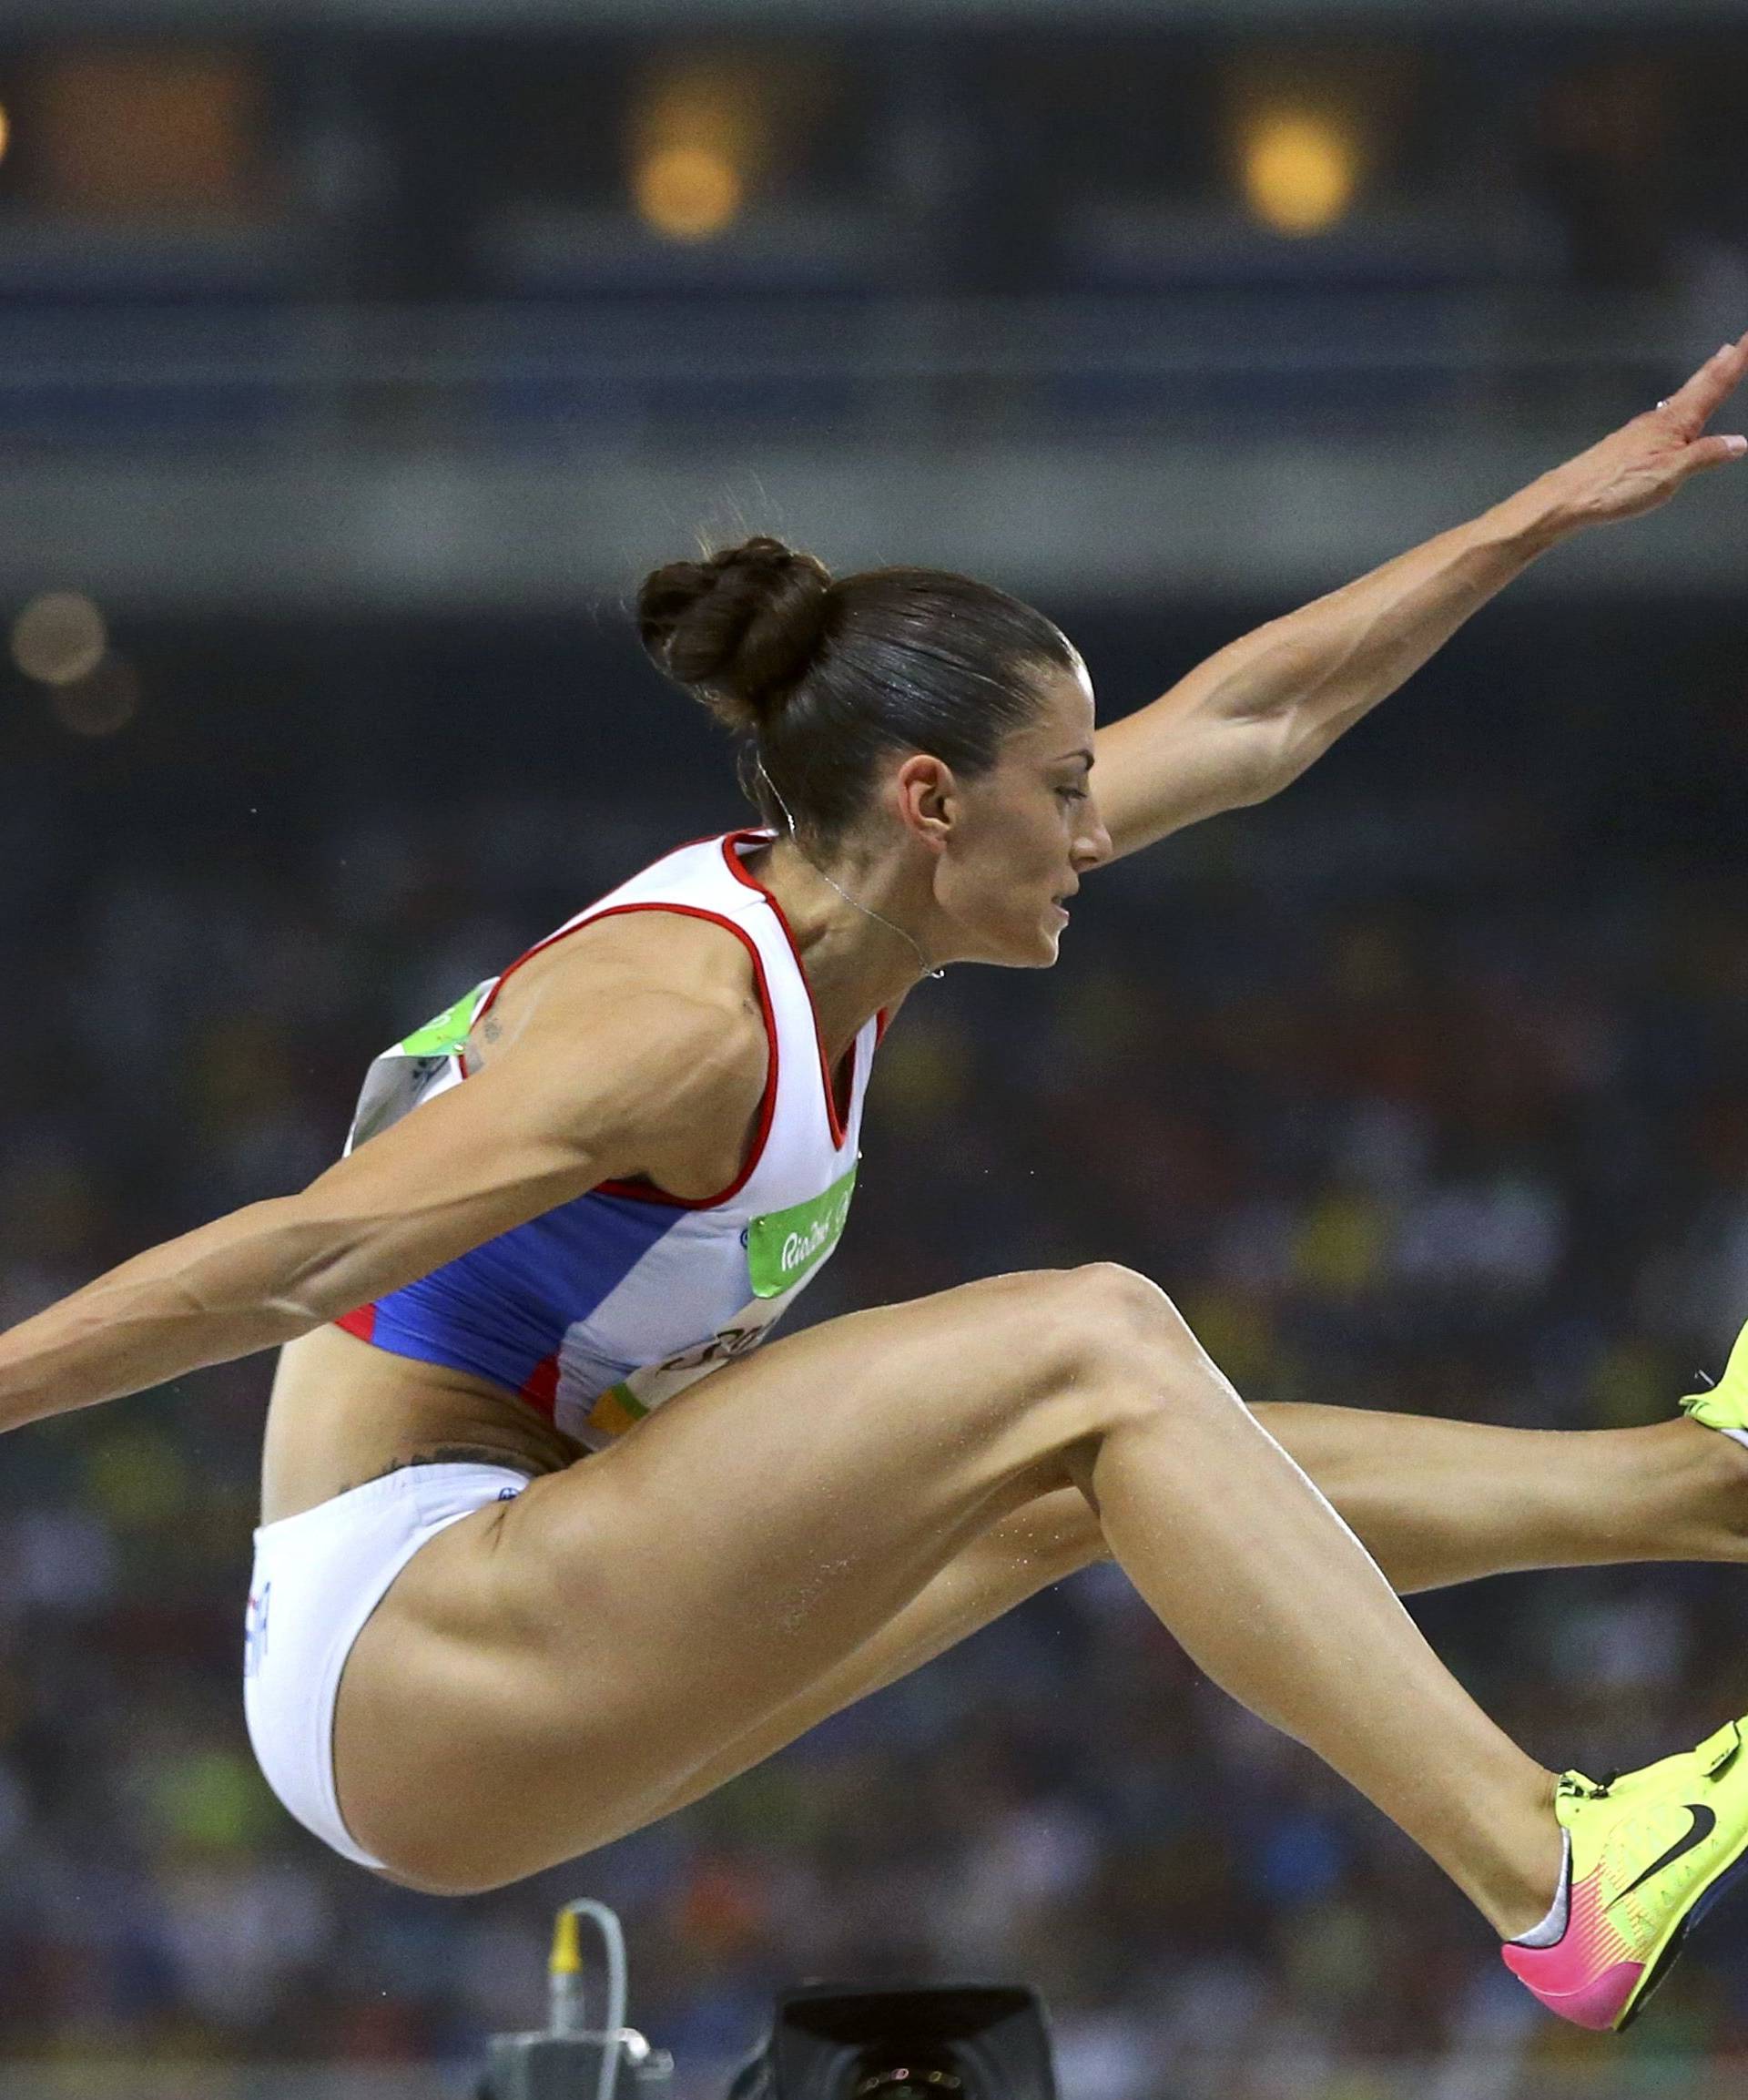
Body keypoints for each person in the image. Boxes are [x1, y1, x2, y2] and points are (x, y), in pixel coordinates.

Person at [5, 341, 1748, 2038]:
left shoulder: (863, 913)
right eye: (1063, 793)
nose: (1091, 833)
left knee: (1110, 1469)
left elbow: (1256, 716)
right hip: (404, 1646)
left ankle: (1695, 1490)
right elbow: (295, 1255)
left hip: (516, 1619)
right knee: (1096, 1342)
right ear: (929, 802)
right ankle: (1547, 1866)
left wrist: (1547, 513)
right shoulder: (681, 1027)